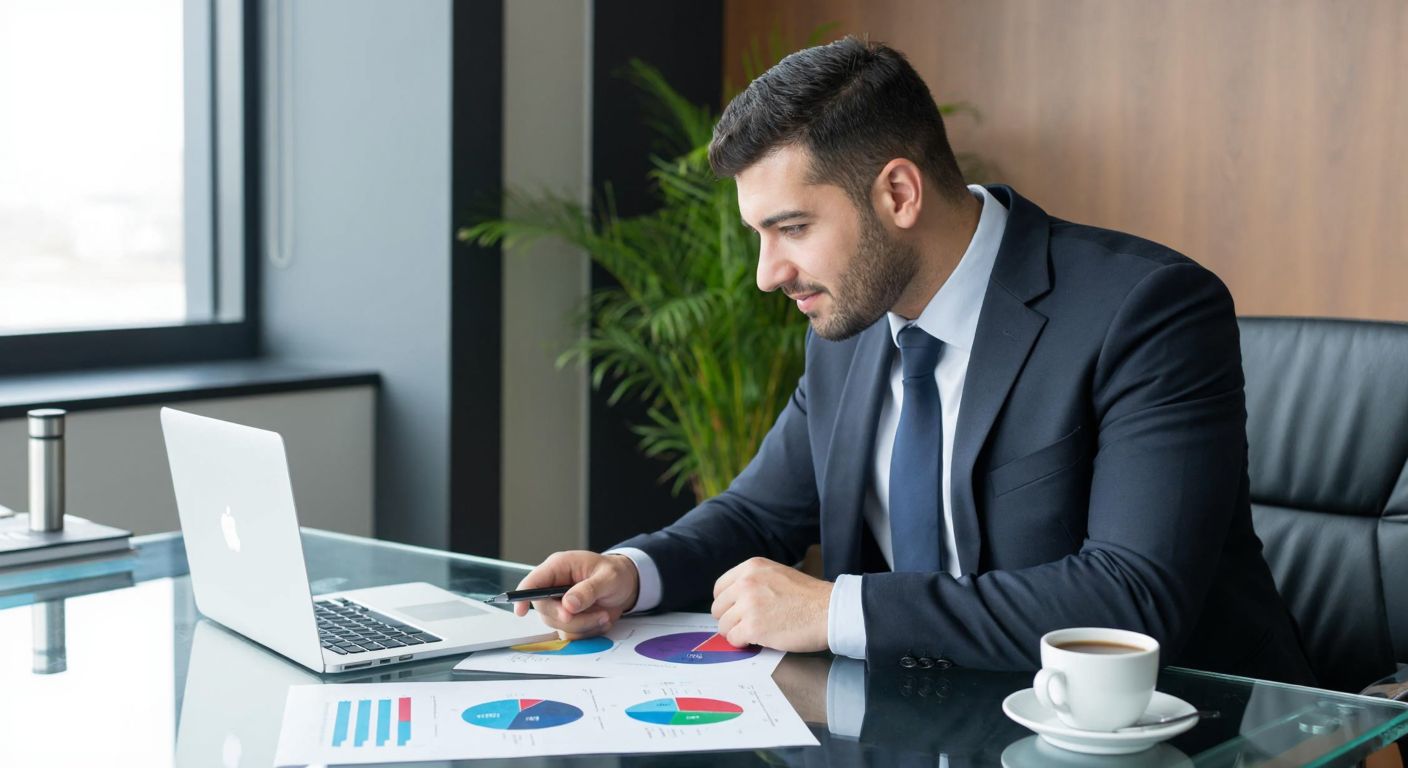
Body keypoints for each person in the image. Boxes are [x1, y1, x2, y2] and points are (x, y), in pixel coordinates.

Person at [513, 36, 1314, 684]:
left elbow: (1130, 598)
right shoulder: (852, 321)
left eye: (791, 228)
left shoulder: (1146, 310)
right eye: (760, 235)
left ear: (898, 194)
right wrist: (631, 571)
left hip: (1172, 731)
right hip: (931, 719)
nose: (766, 274)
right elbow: (759, 514)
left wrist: (838, 613)